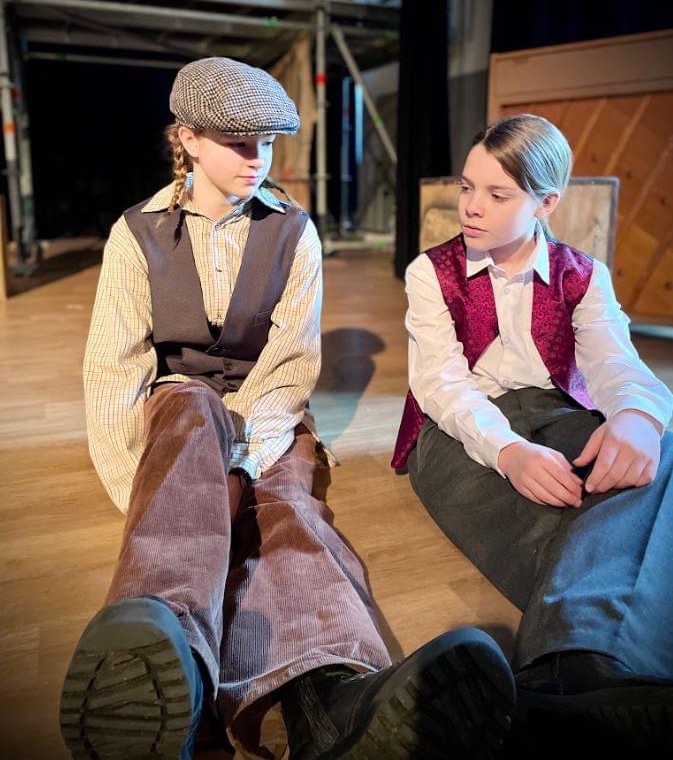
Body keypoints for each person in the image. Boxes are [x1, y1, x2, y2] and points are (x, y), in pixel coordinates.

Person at [59, 57, 516, 760]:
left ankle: (332, 699)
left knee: (292, 514)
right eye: (238, 142)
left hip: (264, 418)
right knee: (189, 407)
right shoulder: (136, 234)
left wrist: (235, 470)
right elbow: (113, 371)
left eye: (268, 143)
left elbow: (290, 364)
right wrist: (152, 490)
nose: (257, 158)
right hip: (177, 410)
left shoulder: (294, 232)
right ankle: (169, 659)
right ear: (188, 139)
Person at [392, 113, 673, 754]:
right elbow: (443, 387)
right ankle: (598, 661)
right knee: (535, 513)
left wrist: (636, 417)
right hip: (454, 431)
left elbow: (614, 361)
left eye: (497, 194)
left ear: (546, 204)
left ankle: (574, 672)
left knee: (654, 453)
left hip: (553, 410)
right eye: (467, 188)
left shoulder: (582, 274)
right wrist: (509, 451)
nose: (471, 207)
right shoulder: (429, 272)